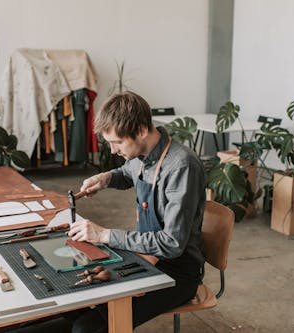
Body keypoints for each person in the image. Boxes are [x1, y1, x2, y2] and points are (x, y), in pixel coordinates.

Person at [67, 91, 207, 332]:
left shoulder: (181, 166)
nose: (112, 150)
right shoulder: (142, 154)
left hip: (177, 271)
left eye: (117, 142)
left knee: (88, 327)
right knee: (72, 300)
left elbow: (172, 243)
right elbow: (127, 173)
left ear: (141, 130)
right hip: (145, 255)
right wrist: (106, 178)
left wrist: (105, 235)